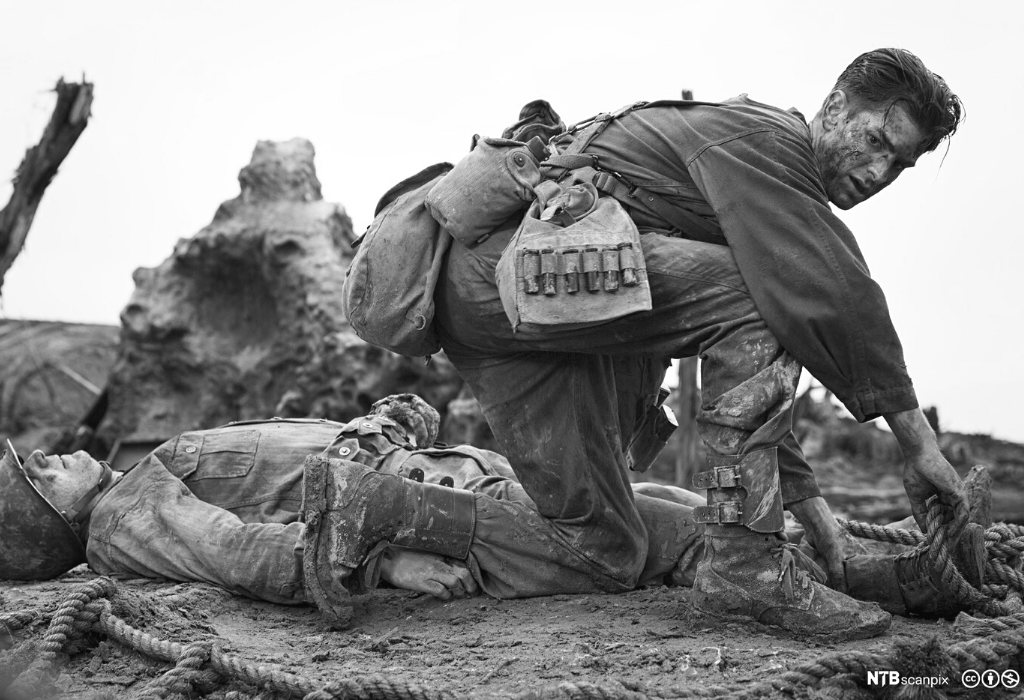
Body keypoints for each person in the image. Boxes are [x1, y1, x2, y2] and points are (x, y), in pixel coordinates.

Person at [434, 48, 967, 636]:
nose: (879, 173)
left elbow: (750, 384)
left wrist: (820, 521)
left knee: (600, 549)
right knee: (759, 296)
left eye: (899, 164)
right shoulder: (768, 141)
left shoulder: (760, 181)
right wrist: (919, 445)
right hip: (509, 274)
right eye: (875, 143)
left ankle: (378, 505)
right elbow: (839, 296)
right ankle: (743, 568)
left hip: (513, 299)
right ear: (836, 108)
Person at [0, 394, 985, 628]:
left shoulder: (144, 471)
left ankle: (879, 564)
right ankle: (885, 581)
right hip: (426, 521)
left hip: (443, 484)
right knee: (665, 536)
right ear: (47, 523)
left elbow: (296, 461)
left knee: (669, 508)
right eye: (41, 469)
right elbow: (245, 553)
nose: (59, 449)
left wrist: (391, 419)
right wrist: (375, 560)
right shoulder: (122, 517)